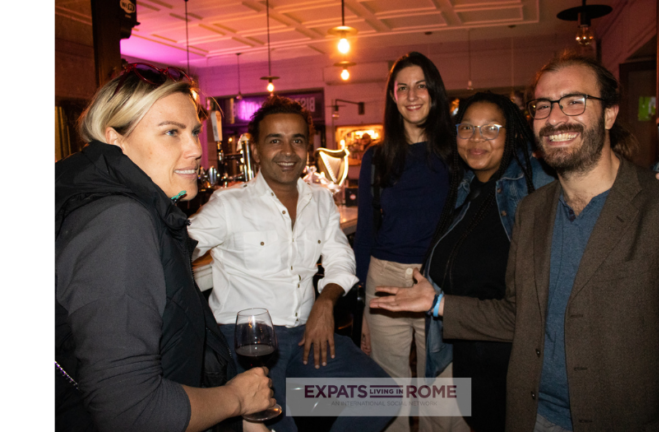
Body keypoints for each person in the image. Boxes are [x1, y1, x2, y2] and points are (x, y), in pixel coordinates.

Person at [371, 52, 659, 432]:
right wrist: (438, 302)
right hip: (525, 412)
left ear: (610, 113)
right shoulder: (530, 209)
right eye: (543, 106)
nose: (556, 116)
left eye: (574, 101)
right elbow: (518, 313)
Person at [55, 63, 274, 432]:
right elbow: (131, 411)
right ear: (115, 139)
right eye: (171, 132)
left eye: (193, 132)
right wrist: (238, 399)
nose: (194, 149)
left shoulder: (132, 208)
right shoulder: (118, 221)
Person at [188, 95, 393, 432]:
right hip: (249, 343)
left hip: (308, 333)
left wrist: (325, 303)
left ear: (307, 148)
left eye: (297, 140)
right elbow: (180, 246)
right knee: (279, 423)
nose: (287, 151)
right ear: (256, 150)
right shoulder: (228, 204)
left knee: (382, 396)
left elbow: (341, 257)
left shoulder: (321, 200)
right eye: (274, 140)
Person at [419, 91, 552, 431]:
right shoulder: (464, 189)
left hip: (515, 357)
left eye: (491, 128)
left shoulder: (536, 179)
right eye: (467, 128)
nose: (476, 139)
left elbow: (598, 183)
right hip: (468, 351)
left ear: (512, 135)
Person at [353, 51, 460, 432]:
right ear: (393, 97)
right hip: (383, 278)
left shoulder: (457, 154)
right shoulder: (376, 158)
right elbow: (365, 233)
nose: (412, 95)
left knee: (443, 391)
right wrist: (364, 304)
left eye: (421, 86)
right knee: (388, 388)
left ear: (434, 93)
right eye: (403, 88)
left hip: (436, 279)